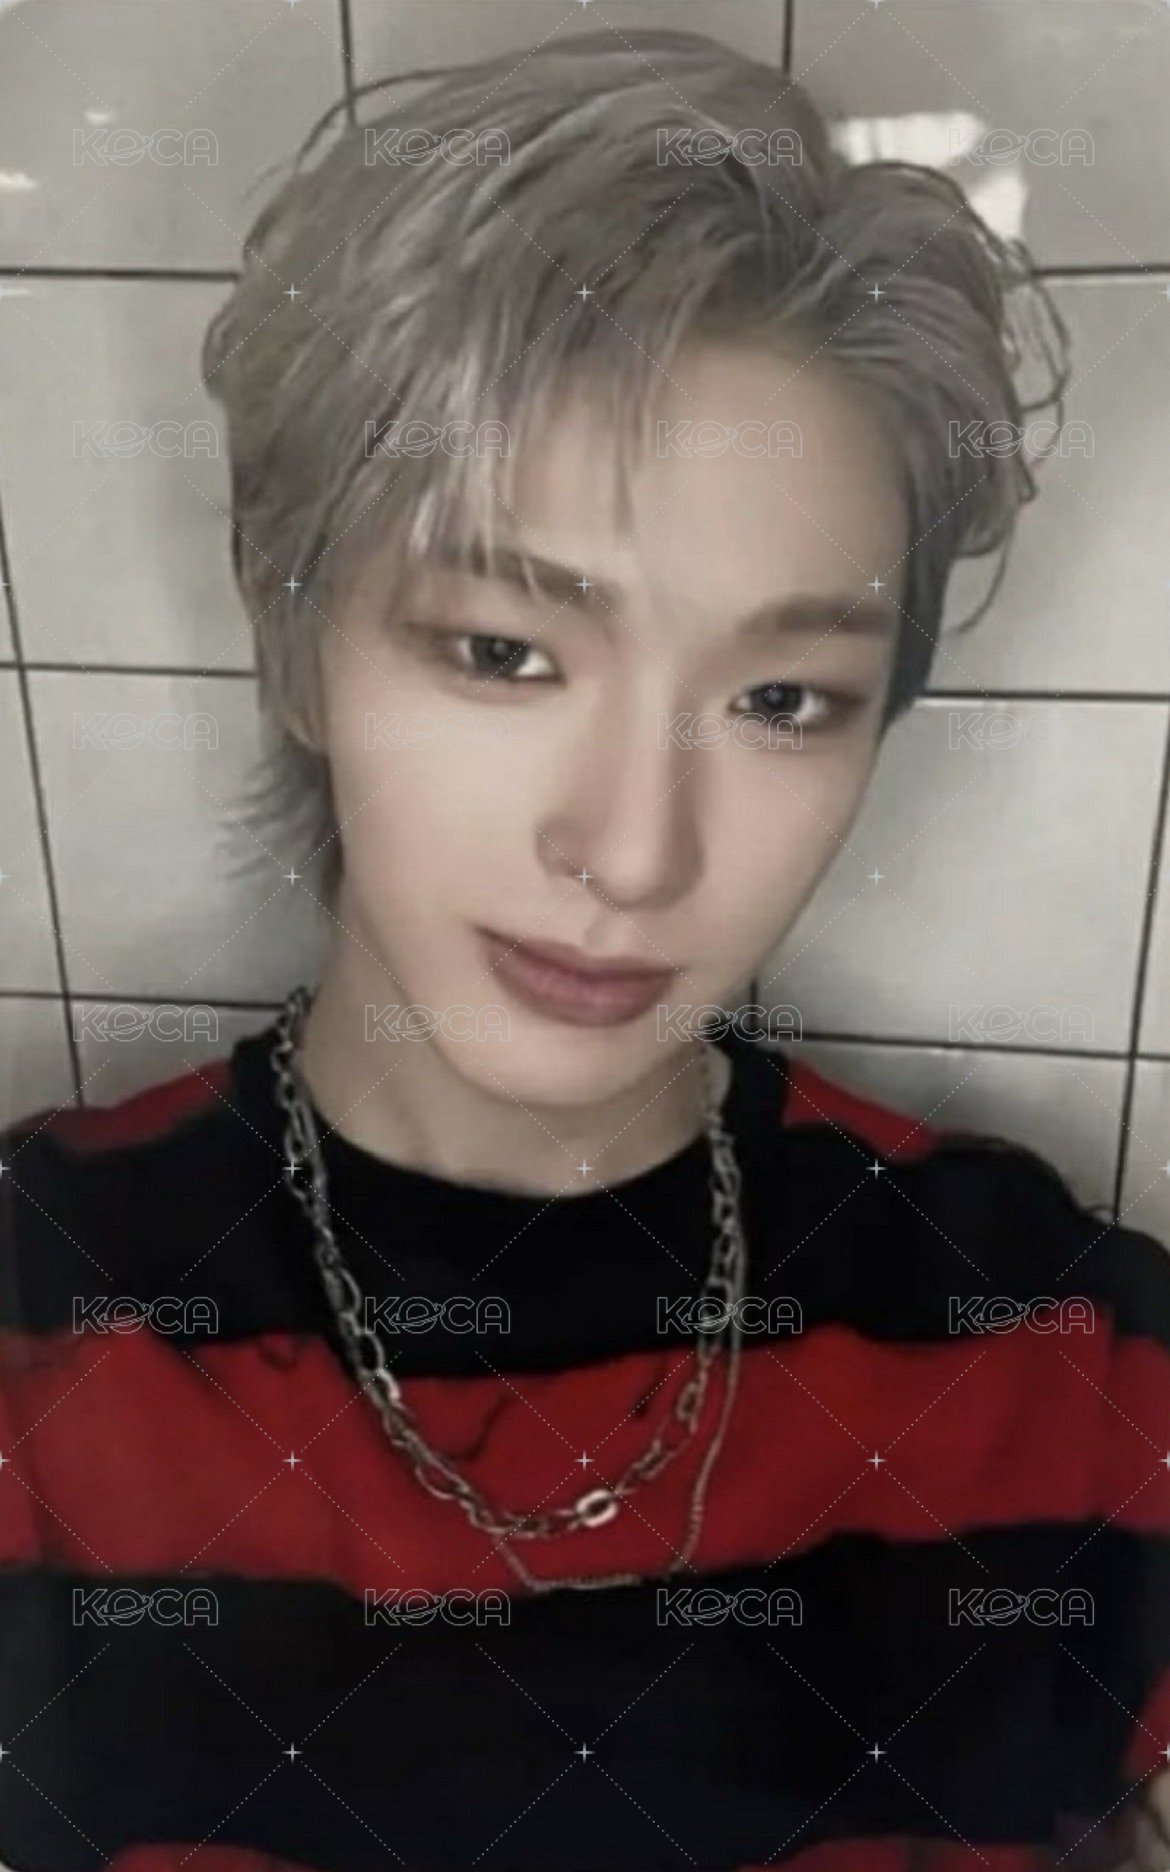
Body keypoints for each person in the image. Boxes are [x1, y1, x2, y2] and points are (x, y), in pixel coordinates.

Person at [1, 26, 1168, 1872]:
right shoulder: (39, 1333)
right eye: (503, 652)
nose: (631, 851)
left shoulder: (1057, 1361)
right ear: (292, 638)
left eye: (780, 698)